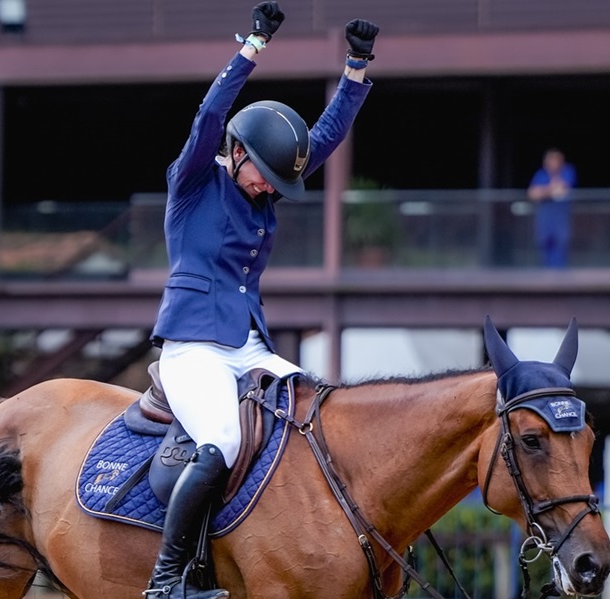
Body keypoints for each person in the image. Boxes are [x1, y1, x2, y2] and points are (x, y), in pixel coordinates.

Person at [145, 3, 378, 598]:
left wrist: (354, 69)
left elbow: (322, 138)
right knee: (220, 440)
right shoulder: (194, 182)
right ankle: (166, 581)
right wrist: (253, 45)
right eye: (263, 178)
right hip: (193, 347)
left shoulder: (263, 192)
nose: (268, 190)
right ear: (239, 151)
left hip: (250, 345)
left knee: (317, 409)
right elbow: (209, 114)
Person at [526, 148, 576, 269]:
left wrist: (542, 191)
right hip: (544, 218)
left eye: (556, 160)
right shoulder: (541, 174)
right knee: (544, 247)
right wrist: (550, 190)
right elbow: (532, 194)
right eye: (551, 160)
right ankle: (546, 280)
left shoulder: (568, 172)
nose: (553, 163)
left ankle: (560, 281)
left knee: (560, 248)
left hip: (561, 218)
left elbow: (562, 188)